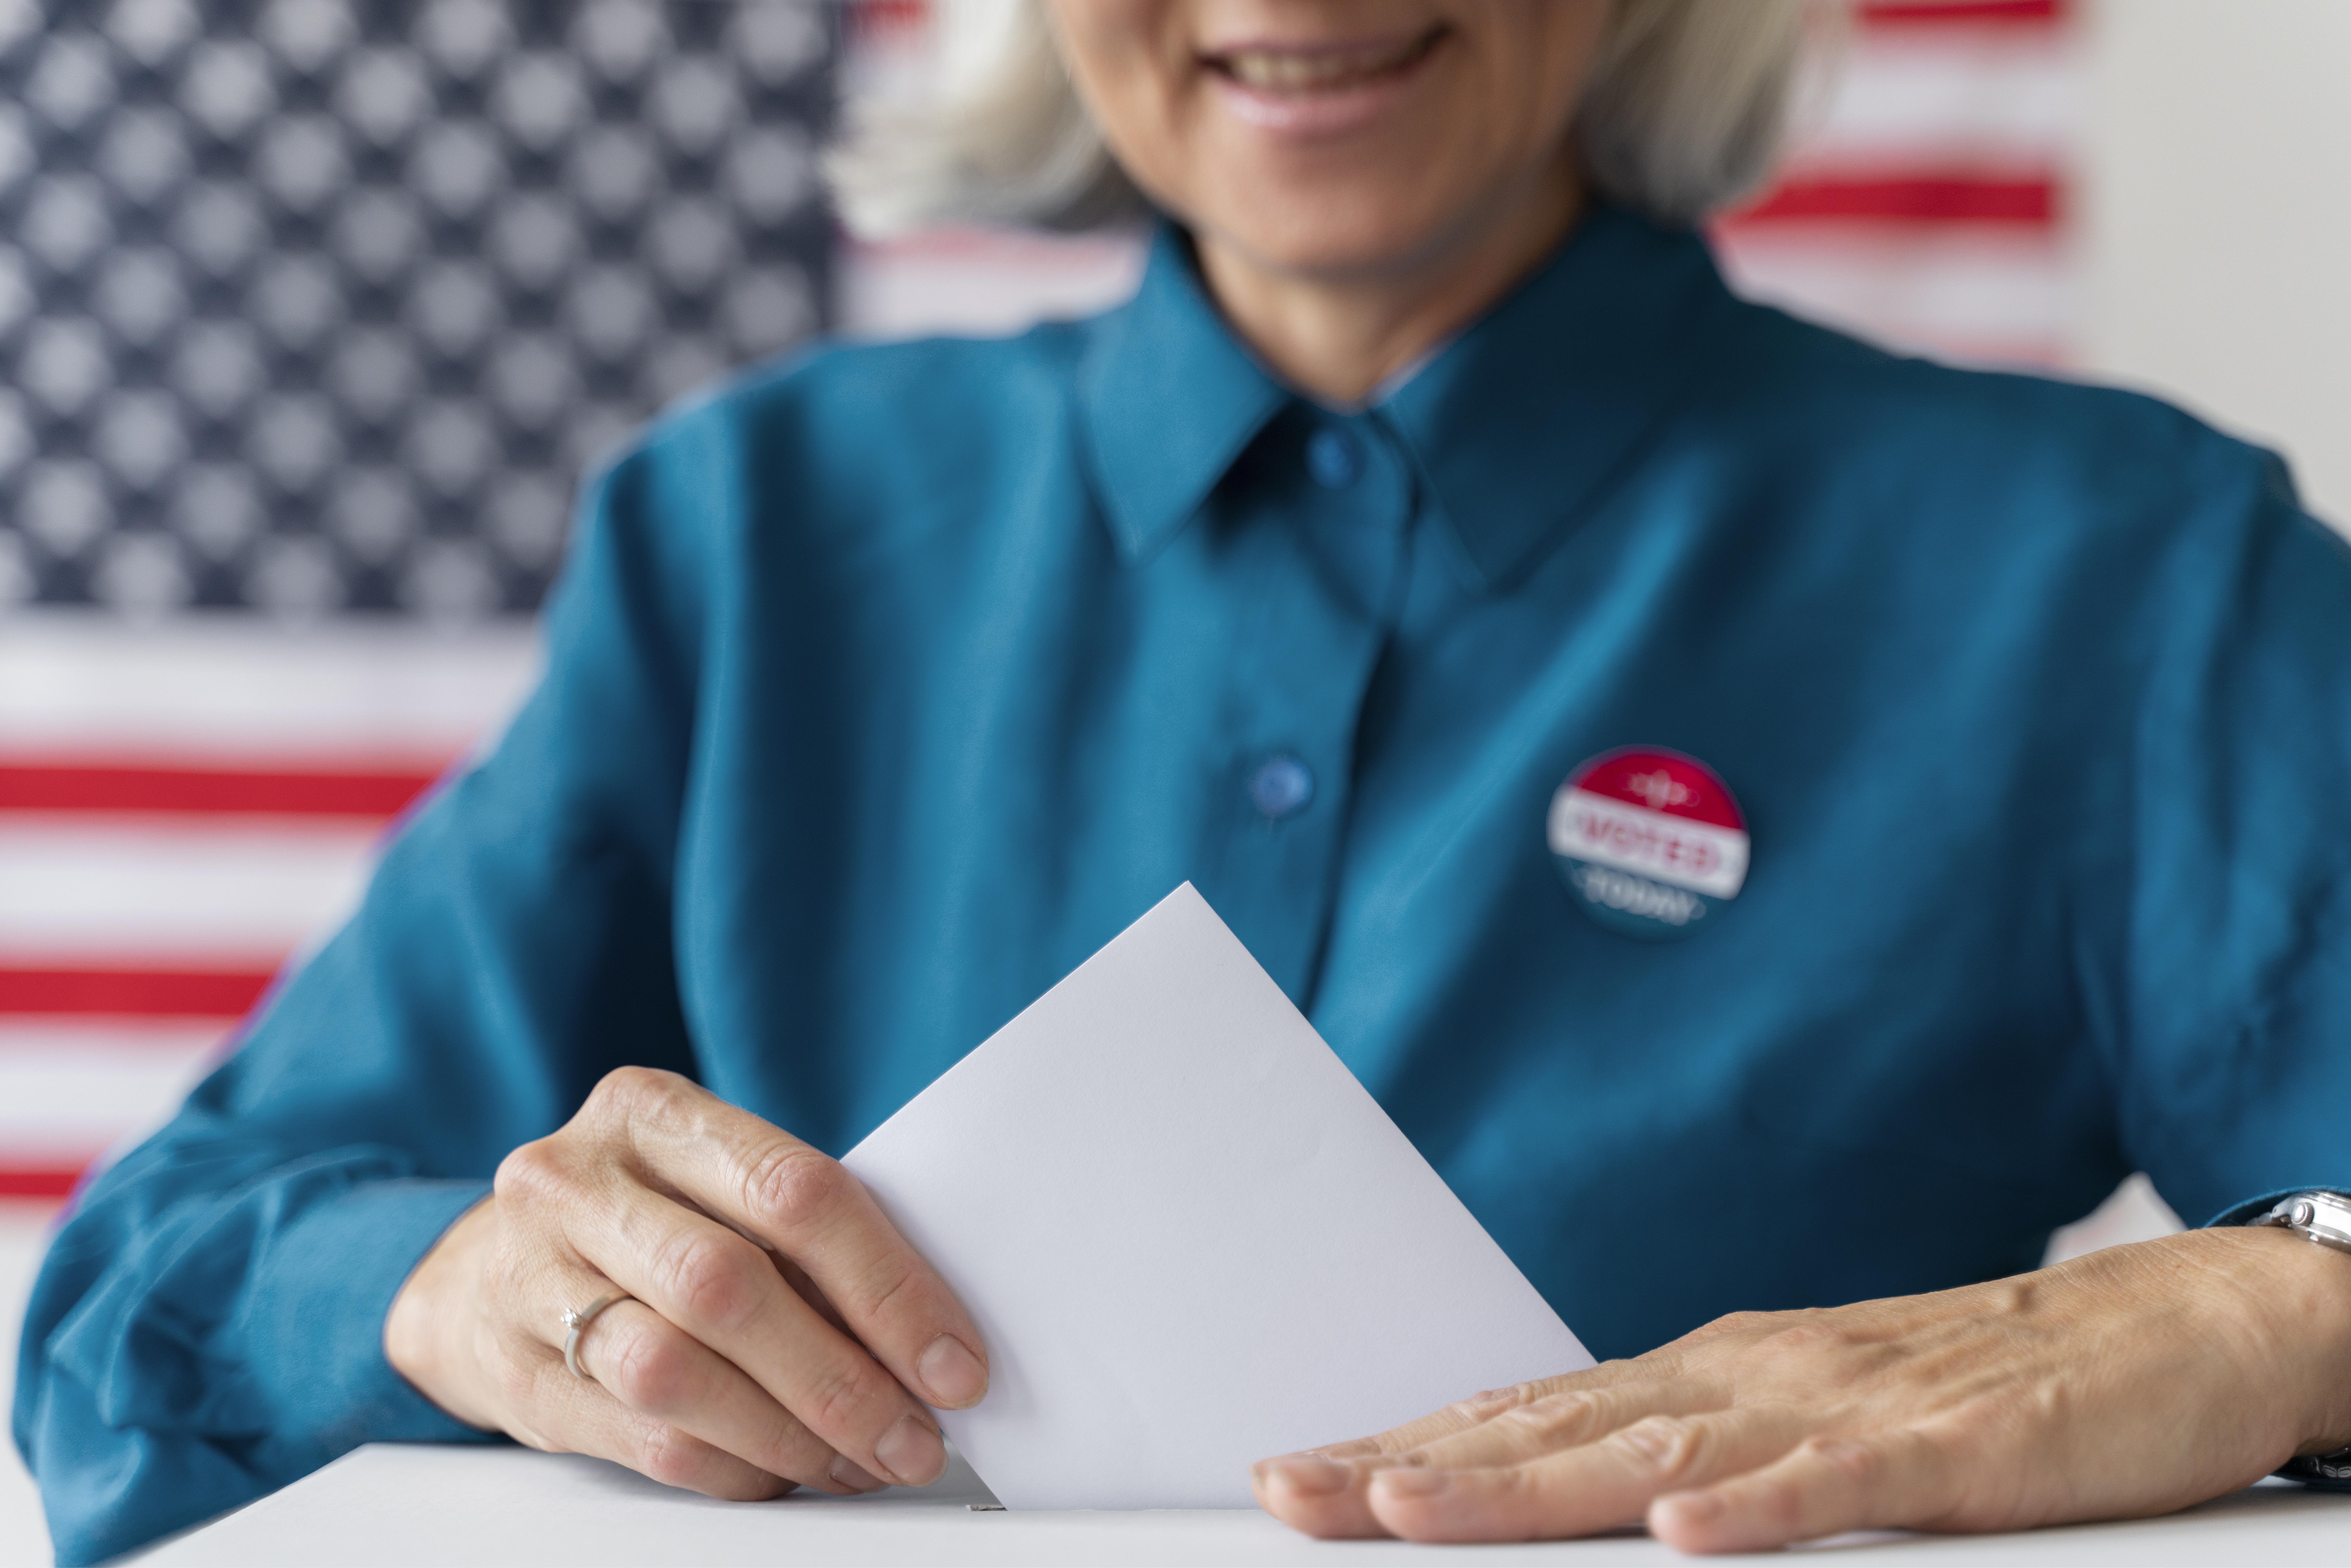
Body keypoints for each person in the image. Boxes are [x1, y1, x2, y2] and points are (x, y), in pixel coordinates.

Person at [16, 0, 2351, 1560]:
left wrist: (2284, 1307)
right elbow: (143, 1293)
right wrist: (453, 1287)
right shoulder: (752, 532)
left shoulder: (2125, 571)